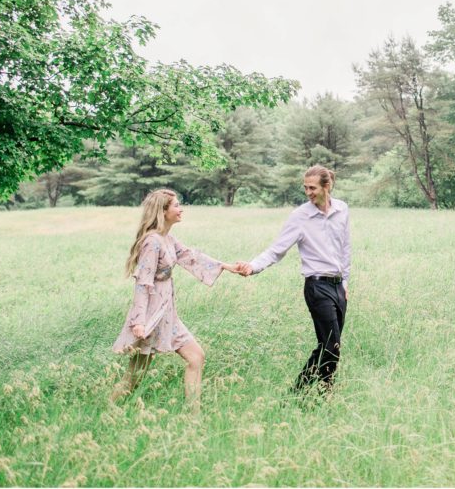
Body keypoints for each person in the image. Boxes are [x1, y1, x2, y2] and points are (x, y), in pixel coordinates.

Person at [111, 188, 243, 407]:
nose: (181, 209)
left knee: (196, 357)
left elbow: (190, 256)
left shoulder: (167, 238)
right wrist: (138, 322)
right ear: (163, 211)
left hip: (168, 313)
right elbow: (143, 284)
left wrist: (226, 266)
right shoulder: (152, 242)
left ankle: (193, 415)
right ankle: (110, 410)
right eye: (176, 206)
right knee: (135, 374)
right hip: (151, 315)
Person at [236, 165, 351, 392]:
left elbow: (345, 248)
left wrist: (345, 282)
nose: (308, 192)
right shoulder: (300, 216)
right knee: (331, 346)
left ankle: (324, 392)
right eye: (305, 187)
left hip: (338, 287)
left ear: (327, 186)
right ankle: (298, 391)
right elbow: (276, 250)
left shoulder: (342, 210)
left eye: (313, 188)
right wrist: (253, 266)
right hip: (317, 287)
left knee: (330, 346)